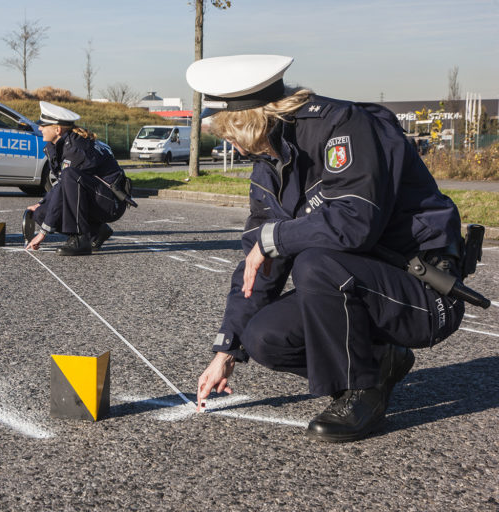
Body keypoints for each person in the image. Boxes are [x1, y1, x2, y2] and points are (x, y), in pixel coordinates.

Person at [189, 55, 466, 442]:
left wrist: (275, 239)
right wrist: (226, 350)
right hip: (359, 281)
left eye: (228, 134)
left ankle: (362, 393)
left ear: (248, 122)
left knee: (316, 264)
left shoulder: (341, 125)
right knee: (263, 336)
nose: (229, 145)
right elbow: (257, 264)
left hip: (422, 290)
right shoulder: (269, 163)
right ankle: (379, 363)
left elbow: (356, 223)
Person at [26, 101, 131, 256]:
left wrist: (42, 233)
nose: (40, 128)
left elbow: (65, 184)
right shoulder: (56, 145)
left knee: (70, 176)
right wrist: (42, 203)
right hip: (96, 196)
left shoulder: (76, 150)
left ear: (57, 129)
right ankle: (96, 231)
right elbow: (61, 186)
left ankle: (80, 239)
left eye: (44, 125)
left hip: (111, 202)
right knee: (41, 213)